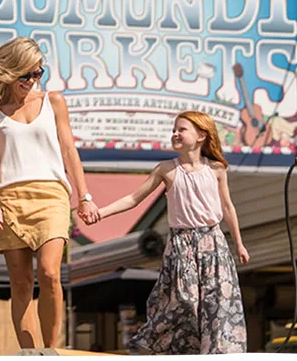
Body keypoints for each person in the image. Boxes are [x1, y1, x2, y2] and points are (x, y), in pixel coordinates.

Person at [86, 110, 249, 354]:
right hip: (182, 244)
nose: (175, 134)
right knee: (185, 300)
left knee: (217, 302)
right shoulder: (167, 169)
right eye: (174, 129)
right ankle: (168, 348)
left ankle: (216, 352)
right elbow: (133, 198)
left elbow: (227, 206)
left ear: (201, 135)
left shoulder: (216, 169)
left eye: (181, 129)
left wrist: (239, 243)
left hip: (213, 243)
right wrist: (101, 212)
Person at [0, 37, 98, 349]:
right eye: (26, 75)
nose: (32, 81)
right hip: (10, 199)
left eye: (38, 73)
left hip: (52, 195)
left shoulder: (54, 101)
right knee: (20, 284)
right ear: (9, 71)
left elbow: (70, 151)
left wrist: (84, 196)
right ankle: (30, 353)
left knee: (49, 273)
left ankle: (50, 348)